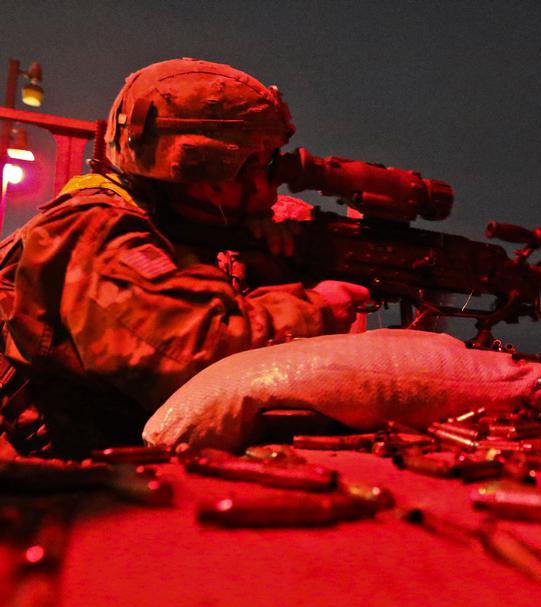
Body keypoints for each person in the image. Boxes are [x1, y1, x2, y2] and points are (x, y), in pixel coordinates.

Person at [0, 58, 370, 458]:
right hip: (45, 485)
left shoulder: (169, 225)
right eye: (262, 163)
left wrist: (274, 252)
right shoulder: (91, 229)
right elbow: (193, 353)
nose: (273, 181)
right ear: (211, 172)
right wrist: (319, 307)